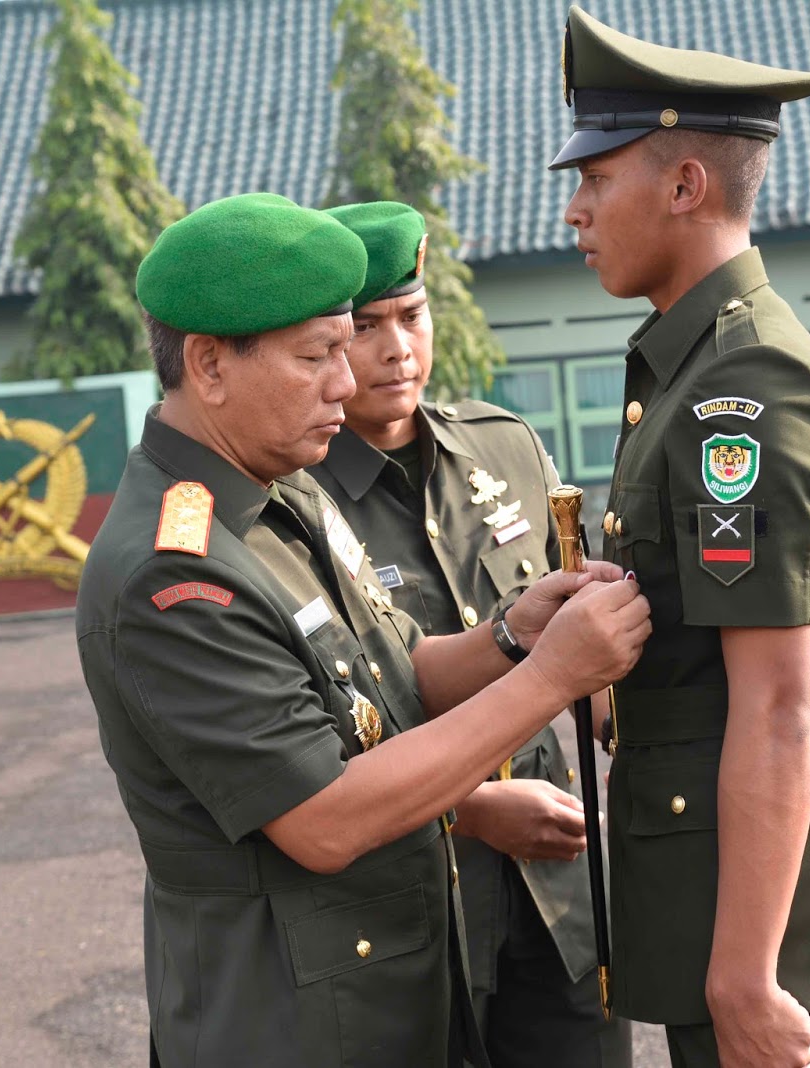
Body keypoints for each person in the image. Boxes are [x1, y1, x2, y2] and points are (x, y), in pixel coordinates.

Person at [75, 192, 651, 1068]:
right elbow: (325, 819)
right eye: (317, 357)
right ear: (209, 364)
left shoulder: (283, 487)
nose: (348, 383)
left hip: (391, 995)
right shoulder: (174, 571)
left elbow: (397, 674)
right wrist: (552, 680)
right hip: (290, 1025)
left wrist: (512, 640)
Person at [549, 8, 810, 1067]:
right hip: (716, 889)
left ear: (685, 187)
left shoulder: (742, 384)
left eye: (595, 178)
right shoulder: (688, 367)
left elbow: (776, 701)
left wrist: (744, 973)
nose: (574, 211)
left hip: (770, 928)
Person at [307, 200, 631, 1068]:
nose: (394, 350)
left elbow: (582, 637)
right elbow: (318, 735)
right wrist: (476, 812)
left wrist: (620, 720)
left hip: (563, 894)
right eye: (362, 329)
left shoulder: (506, 447)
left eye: (410, 318)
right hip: (420, 903)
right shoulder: (300, 501)